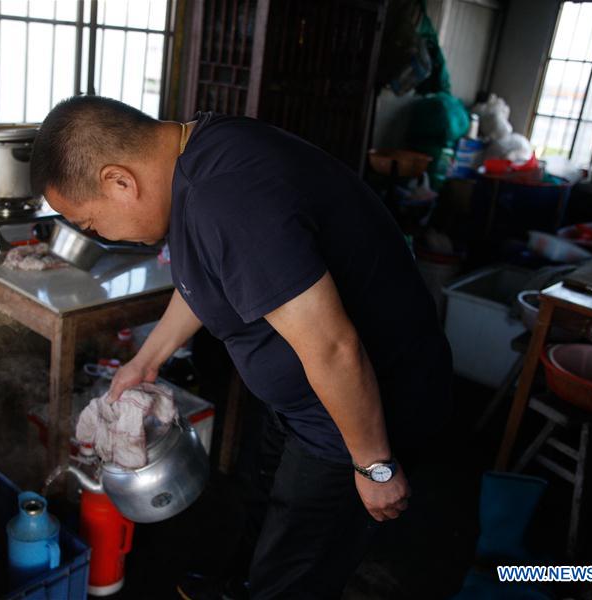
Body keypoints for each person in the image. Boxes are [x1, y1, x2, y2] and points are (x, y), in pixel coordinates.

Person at [30, 95, 453, 599]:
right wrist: (146, 360)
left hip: (353, 409)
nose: (96, 233)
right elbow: (203, 280)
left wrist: (374, 464)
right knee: (259, 507)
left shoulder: (223, 197)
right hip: (298, 398)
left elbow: (335, 347)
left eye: (91, 223)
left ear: (120, 181)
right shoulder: (192, 158)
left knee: (297, 566)